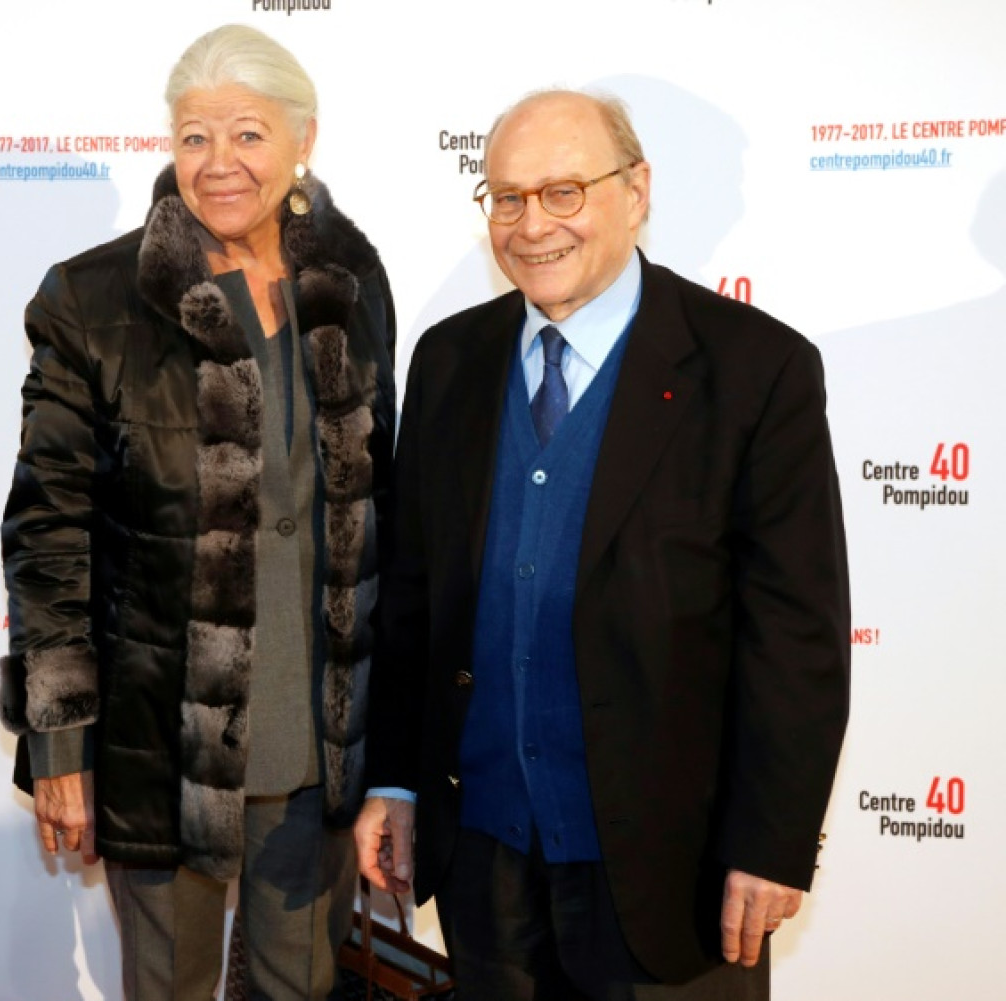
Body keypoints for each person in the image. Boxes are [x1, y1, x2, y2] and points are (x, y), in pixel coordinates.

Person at [355, 89, 849, 1000]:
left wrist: (770, 843)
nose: (531, 224)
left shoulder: (755, 370)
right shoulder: (449, 360)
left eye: (563, 192)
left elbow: (797, 636)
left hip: (675, 875)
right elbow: (414, 599)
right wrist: (396, 778)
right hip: (485, 859)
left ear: (637, 190)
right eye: (506, 197)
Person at [0, 24, 395, 1000]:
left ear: (304, 139)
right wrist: (59, 743)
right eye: (194, 137)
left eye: (249, 134)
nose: (219, 164)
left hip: (316, 742)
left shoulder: (350, 284)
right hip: (158, 738)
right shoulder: (92, 300)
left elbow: (378, 511)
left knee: (297, 988)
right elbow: (49, 534)